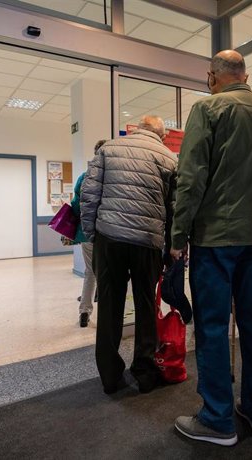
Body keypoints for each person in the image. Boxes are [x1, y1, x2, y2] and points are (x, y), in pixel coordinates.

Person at [170, 50, 252, 446]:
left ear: (211, 77)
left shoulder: (208, 109)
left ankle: (218, 419)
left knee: (214, 325)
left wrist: (177, 235)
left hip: (217, 238)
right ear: (245, 75)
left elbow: (191, 179)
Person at [81, 115, 177, 394]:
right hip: (147, 241)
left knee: (110, 304)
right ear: (161, 135)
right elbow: (173, 207)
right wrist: (170, 246)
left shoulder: (108, 149)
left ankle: (111, 376)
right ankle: (145, 373)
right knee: (146, 305)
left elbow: (90, 195)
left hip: (109, 238)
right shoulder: (169, 158)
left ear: (135, 129)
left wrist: (92, 233)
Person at [71, 140, 107, 328]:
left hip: (87, 233)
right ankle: (109, 315)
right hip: (108, 233)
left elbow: (76, 205)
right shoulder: (111, 177)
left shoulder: (84, 177)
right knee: (109, 273)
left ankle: (85, 311)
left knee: (90, 272)